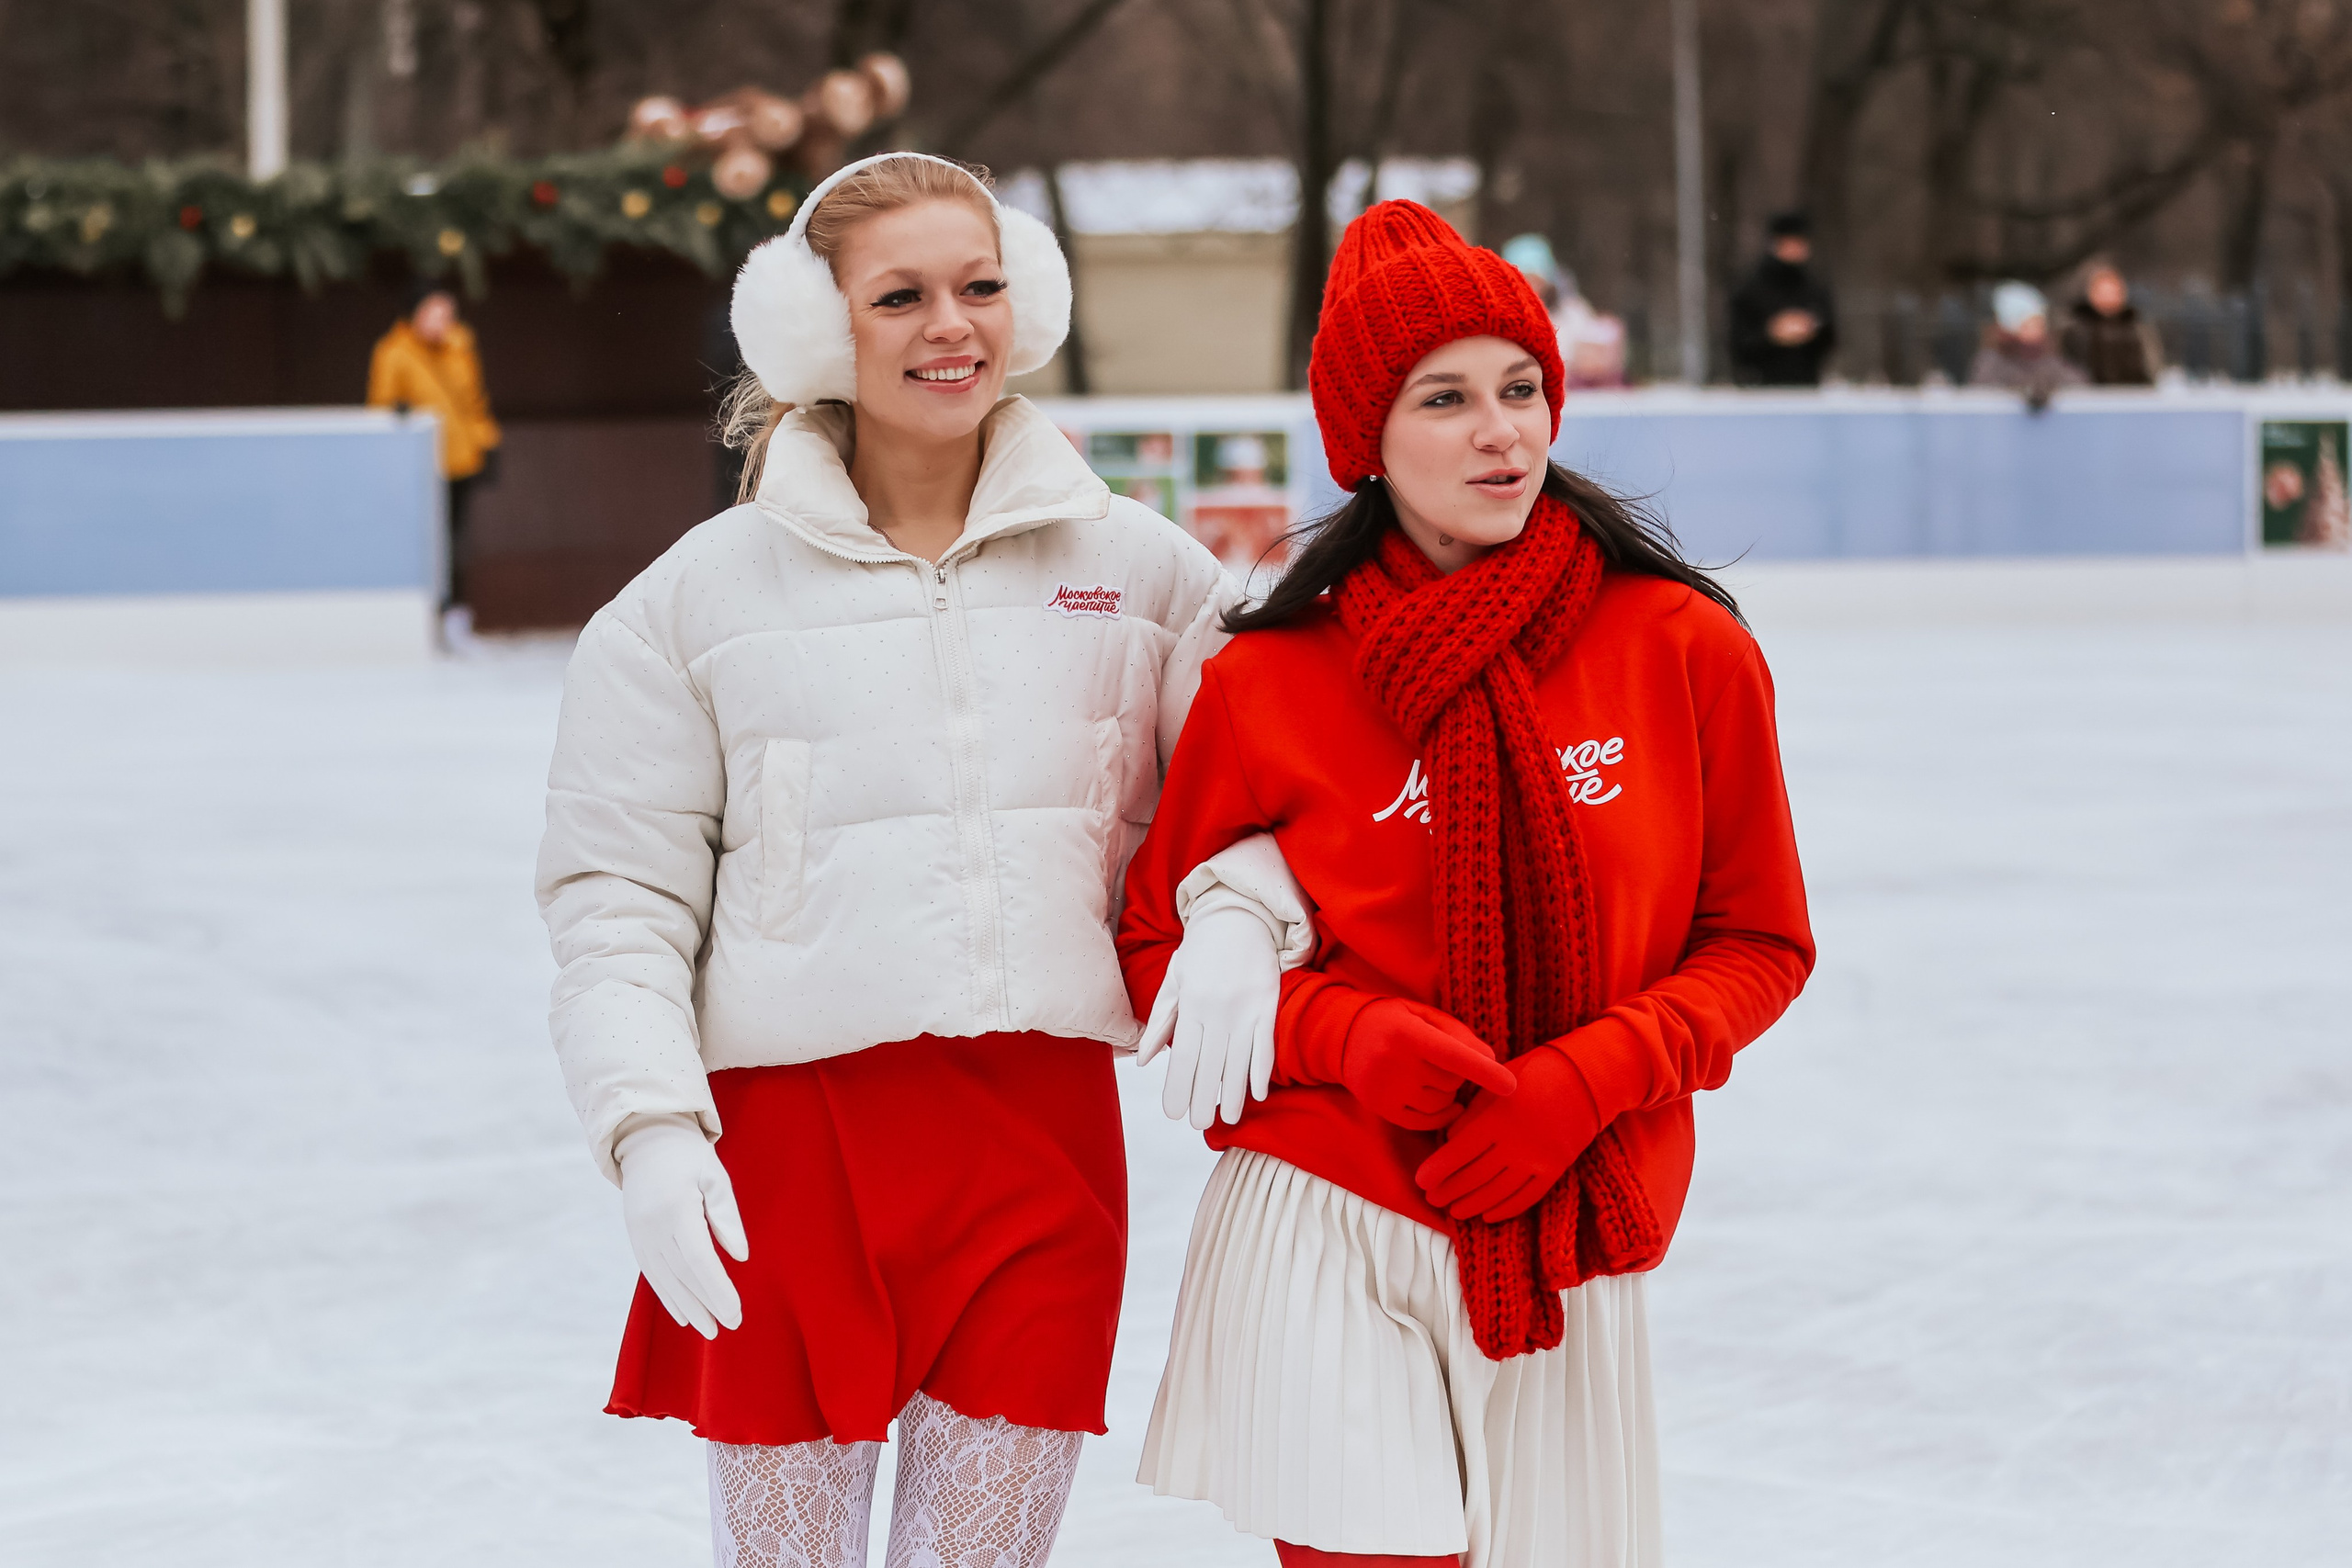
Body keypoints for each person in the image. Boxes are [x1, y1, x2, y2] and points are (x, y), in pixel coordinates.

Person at [534, 151, 1275, 1567]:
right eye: (902, 295)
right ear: (819, 330)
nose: (953, 324)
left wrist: (1239, 914)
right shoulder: (691, 603)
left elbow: (1271, 789)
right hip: (792, 1162)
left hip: (1042, 1155)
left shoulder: (1147, 571)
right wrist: (646, 1124)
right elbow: (616, 897)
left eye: (982, 285)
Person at [1119, 200, 1815, 1567]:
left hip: (1568, 1211)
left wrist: (1595, 1073)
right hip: (1322, 1206)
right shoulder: (1270, 677)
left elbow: (1760, 941)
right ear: (1364, 440)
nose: (1503, 430)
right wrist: (1345, 1032)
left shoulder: (1680, 647)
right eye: (1445, 398)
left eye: (1521, 387)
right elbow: (1154, 942)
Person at [367, 280, 501, 620]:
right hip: (419, 464)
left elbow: (473, 400)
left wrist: (486, 440)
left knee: (457, 540)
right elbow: (380, 405)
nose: (443, 322)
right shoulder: (393, 351)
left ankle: (456, 615)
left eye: (448, 315)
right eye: (435, 314)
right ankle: (427, 613)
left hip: (460, 458)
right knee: (426, 540)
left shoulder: (460, 344)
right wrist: (398, 415)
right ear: (415, 314)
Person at [1501, 232, 1627, 389]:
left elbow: (1594, 351)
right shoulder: (1502, 317)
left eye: (1536, 278)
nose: (1532, 285)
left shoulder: (1571, 312)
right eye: (1524, 278)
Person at [1727, 211, 1837, 386]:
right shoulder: (1749, 290)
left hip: (1806, 386)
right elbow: (1738, 345)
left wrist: (1810, 328)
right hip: (1760, 388)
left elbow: (1829, 336)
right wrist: (1771, 334)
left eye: (1800, 243)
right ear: (1775, 244)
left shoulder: (1815, 289)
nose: (1796, 249)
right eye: (1790, 243)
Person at [1970, 280, 2086, 412]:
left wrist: (2052, 391)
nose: (2037, 330)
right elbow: (1981, 396)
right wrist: (2020, 392)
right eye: (2028, 324)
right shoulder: (1990, 363)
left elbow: (2080, 387)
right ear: (2010, 328)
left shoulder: (2051, 362)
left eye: (2039, 324)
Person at [2061, 257, 2162, 386]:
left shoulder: (2139, 327)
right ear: (2091, 294)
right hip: (2090, 399)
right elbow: (2069, 368)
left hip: (2135, 397)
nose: (2108, 298)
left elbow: (2153, 365)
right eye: (2103, 292)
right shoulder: (2076, 331)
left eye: (2113, 292)